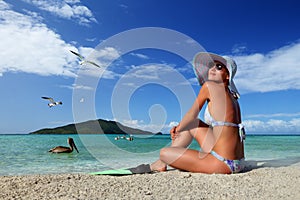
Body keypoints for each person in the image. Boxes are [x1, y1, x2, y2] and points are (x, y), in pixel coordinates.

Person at [149, 52, 246, 174]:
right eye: (211, 66)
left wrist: (177, 129)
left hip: (223, 164)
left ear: (227, 76)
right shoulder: (233, 97)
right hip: (239, 162)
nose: (212, 69)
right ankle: (162, 163)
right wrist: (182, 126)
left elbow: (191, 114)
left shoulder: (210, 86)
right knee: (194, 123)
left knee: (164, 153)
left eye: (219, 67)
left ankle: (162, 161)